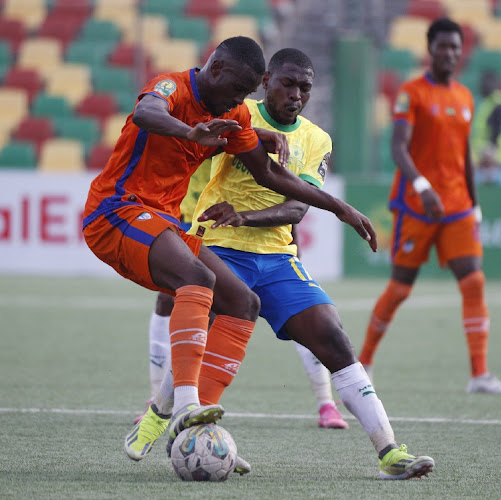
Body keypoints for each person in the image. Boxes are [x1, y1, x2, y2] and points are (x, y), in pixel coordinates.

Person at [129, 47, 435, 480]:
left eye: (304, 88)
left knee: (333, 337)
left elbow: (295, 209)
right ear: (266, 81)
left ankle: (389, 452)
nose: (295, 94)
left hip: (276, 257)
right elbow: (195, 153)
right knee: (202, 336)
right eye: (287, 84)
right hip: (218, 245)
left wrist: (250, 215)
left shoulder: (317, 139)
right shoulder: (237, 111)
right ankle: (162, 418)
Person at [82, 36, 378, 473]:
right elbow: (146, 113)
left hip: (163, 220)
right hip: (115, 211)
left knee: (242, 302)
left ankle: (180, 424)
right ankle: (185, 409)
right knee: (196, 280)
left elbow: (270, 174)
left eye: (246, 95)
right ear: (216, 68)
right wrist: (189, 132)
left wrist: (339, 207)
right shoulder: (171, 87)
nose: (241, 102)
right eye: (238, 91)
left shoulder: (233, 113)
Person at [358, 18, 501, 395]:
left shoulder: (465, 97)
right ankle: (363, 361)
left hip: (459, 207)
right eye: (443, 46)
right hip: (417, 205)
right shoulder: (411, 93)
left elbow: (464, 157)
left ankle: (479, 373)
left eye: (456, 48)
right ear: (430, 50)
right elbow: (398, 147)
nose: (449, 53)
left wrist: (475, 206)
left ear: (462, 54)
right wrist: (421, 184)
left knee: (474, 281)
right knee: (399, 289)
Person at [137, 160, 349, 431]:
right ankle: (157, 400)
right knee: (172, 303)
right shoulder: (193, 134)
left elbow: (276, 180)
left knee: (302, 313)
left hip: (233, 227)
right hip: (189, 220)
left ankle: (326, 402)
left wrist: (292, 239)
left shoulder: (233, 137)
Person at [470, 70, 501, 187]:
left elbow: (497, 129)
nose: (482, 86)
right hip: (490, 158)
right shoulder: (490, 103)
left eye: (486, 83)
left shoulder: (498, 103)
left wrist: (491, 150)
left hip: (496, 158)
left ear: (494, 85)